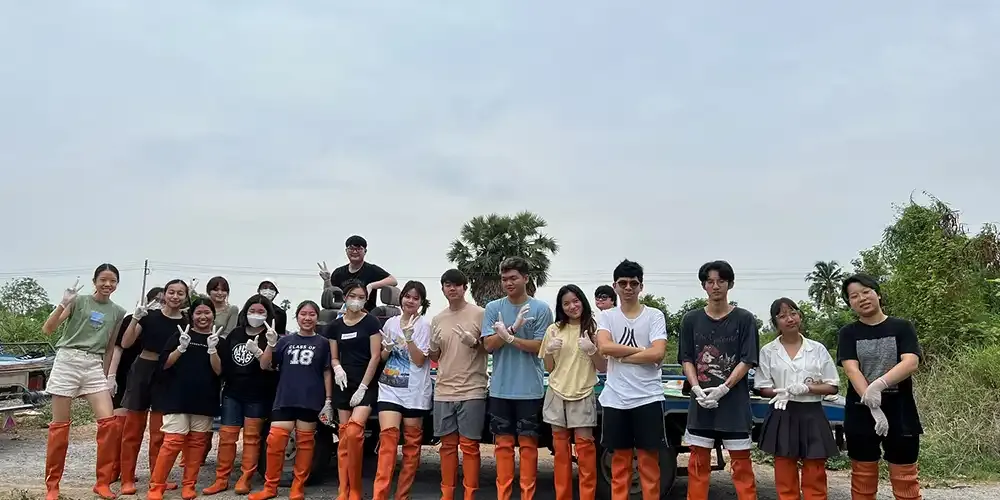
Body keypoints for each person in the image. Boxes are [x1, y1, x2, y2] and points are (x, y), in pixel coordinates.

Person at [40, 265, 127, 500]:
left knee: (109, 424)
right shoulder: (79, 301)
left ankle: (102, 483)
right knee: (59, 427)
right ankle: (53, 486)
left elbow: (109, 347)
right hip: (68, 360)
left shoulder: (118, 311)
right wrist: (63, 303)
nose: (107, 284)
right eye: (103, 280)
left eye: (112, 281)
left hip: (94, 364)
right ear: (94, 281)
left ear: (117, 283)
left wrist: (107, 377)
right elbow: (48, 329)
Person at [837, 274, 922, 500]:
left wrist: (879, 384)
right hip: (861, 409)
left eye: (866, 292)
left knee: (905, 475)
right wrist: (872, 403)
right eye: (854, 296)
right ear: (850, 303)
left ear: (878, 294)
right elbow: (852, 369)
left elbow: (911, 362)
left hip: (900, 408)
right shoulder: (848, 333)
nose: (862, 298)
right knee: (862, 475)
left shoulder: (902, 327)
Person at [679, 260, 759, 500]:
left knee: (742, 466)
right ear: (703, 285)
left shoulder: (744, 319)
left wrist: (724, 388)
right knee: (697, 464)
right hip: (701, 402)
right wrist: (696, 388)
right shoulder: (690, 319)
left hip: (734, 403)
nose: (715, 286)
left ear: (730, 284)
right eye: (710, 281)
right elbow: (686, 358)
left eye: (721, 281)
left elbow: (747, 359)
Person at [594, 260, 669, 500]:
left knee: (649, 462)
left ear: (641, 286)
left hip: (648, 397)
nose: (628, 288)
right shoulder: (607, 316)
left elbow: (658, 353)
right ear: (615, 286)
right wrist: (642, 351)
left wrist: (621, 355)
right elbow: (604, 347)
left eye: (634, 283)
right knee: (619, 462)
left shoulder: (654, 315)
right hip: (616, 398)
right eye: (623, 283)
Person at [481, 257, 554, 500]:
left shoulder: (541, 309)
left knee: (528, 446)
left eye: (513, 278)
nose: (508, 283)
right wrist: (511, 329)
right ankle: (503, 495)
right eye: (504, 279)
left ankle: (527, 495)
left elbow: (540, 346)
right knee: (502, 446)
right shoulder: (493, 308)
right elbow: (489, 345)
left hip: (529, 389)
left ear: (525, 278)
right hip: (500, 389)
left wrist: (510, 338)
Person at [755, 298, 840, 500]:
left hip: (812, 412)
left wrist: (807, 388)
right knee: (784, 468)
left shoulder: (817, 349)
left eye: (793, 313)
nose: (789, 319)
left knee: (815, 468)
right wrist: (782, 392)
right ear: (775, 322)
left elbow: (833, 386)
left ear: (800, 316)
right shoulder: (768, 351)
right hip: (782, 412)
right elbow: (762, 387)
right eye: (782, 316)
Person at [249, 301, 333, 500]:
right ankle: (270, 487)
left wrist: (328, 400)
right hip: (285, 397)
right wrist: (270, 345)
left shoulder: (323, 343)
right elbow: (265, 365)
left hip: (310, 399)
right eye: (303, 314)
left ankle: (298, 486)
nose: (307, 318)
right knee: (275, 441)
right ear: (297, 316)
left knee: (305, 444)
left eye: (311, 314)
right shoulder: (285, 340)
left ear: (317, 318)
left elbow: (327, 372)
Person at [118, 279, 191, 494]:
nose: (175, 296)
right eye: (171, 292)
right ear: (164, 294)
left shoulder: (186, 321)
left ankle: (157, 478)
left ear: (186, 297)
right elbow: (126, 343)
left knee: (160, 431)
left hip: (168, 373)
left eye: (180, 293)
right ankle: (127, 478)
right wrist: (135, 319)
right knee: (133, 429)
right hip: (143, 369)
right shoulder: (149, 316)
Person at [147, 297, 224, 499]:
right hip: (177, 397)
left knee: (197, 443)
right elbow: (164, 364)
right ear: (192, 315)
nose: (203, 317)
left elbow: (220, 372)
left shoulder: (219, 340)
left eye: (207, 312)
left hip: (204, 399)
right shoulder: (180, 335)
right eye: (198, 313)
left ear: (213, 315)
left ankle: (189, 485)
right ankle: (156, 486)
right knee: (172, 442)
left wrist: (213, 349)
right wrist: (180, 348)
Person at [203, 295, 278, 495]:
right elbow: (221, 368)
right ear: (245, 312)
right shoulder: (236, 334)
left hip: (258, 394)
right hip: (232, 393)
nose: (256, 315)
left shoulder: (270, 335)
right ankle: (221, 479)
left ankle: (245, 478)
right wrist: (212, 350)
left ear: (268, 315)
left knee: (252, 438)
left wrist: (267, 347)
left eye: (261, 312)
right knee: (227, 437)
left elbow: (268, 366)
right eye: (252, 311)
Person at [539, 284, 607, 500]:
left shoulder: (594, 328)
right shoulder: (553, 329)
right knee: (561, 452)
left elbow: (603, 367)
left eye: (575, 301)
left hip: (583, 392)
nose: (572, 306)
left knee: (585, 451)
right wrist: (549, 351)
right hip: (557, 392)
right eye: (566, 303)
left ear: (583, 302)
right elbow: (549, 367)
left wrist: (592, 349)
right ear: (561, 307)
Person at [372, 281, 433, 500]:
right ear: (401, 298)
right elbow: (383, 357)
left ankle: (402, 495)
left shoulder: (425, 326)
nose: (410, 301)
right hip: (389, 388)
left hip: (415, 392)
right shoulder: (390, 323)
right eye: (407, 296)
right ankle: (379, 495)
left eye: (416, 298)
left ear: (421, 302)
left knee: (411, 446)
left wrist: (409, 338)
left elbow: (419, 360)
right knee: (388, 442)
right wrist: (387, 349)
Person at [429, 269, 487, 500]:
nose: (452, 288)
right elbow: (435, 355)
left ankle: (470, 494)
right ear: (443, 289)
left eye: (456, 284)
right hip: (443, 389)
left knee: (470, 446)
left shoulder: (479, 313)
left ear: (465, 287)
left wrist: (474, 342)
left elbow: (489, 347)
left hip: (472, 388)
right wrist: (433, 346)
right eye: (447, 285)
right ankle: (447, 494)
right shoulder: (438, 319)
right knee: (447, 446)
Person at [325, 280, 384, 500]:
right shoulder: (335, 326)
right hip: (343, 384)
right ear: (345, 297)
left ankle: (356, 488)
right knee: (344, 438)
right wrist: (337, 368)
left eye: (361, 297)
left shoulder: (371, 322)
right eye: (352, 296)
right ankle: (344, 488)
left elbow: (376, 356)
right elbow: (333, 356)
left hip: (365, 384)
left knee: (354, 432)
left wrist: (363, 386)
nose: (356, 301)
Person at [106, 286, 163, 483]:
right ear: (147, 300)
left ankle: (145, 473)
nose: (159, 304)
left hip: (149, 377)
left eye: (163, 301)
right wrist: (111, 375)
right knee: (121, 428)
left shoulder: (162, 322)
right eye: (156, 300)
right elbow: (118, 348)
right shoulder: (132, 319)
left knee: (149, 429)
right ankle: (114, 471)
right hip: (124, 376)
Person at [318, 235, 398, 312]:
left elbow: (393, 281)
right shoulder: (338, 272)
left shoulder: (371, 269)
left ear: (365, 251)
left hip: (367, 313)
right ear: (346, 251)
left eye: (359, 249)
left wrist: (371, 286)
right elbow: (330, 293)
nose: (355, 251)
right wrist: (327, 280)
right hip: (343, 312)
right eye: (351, 249)